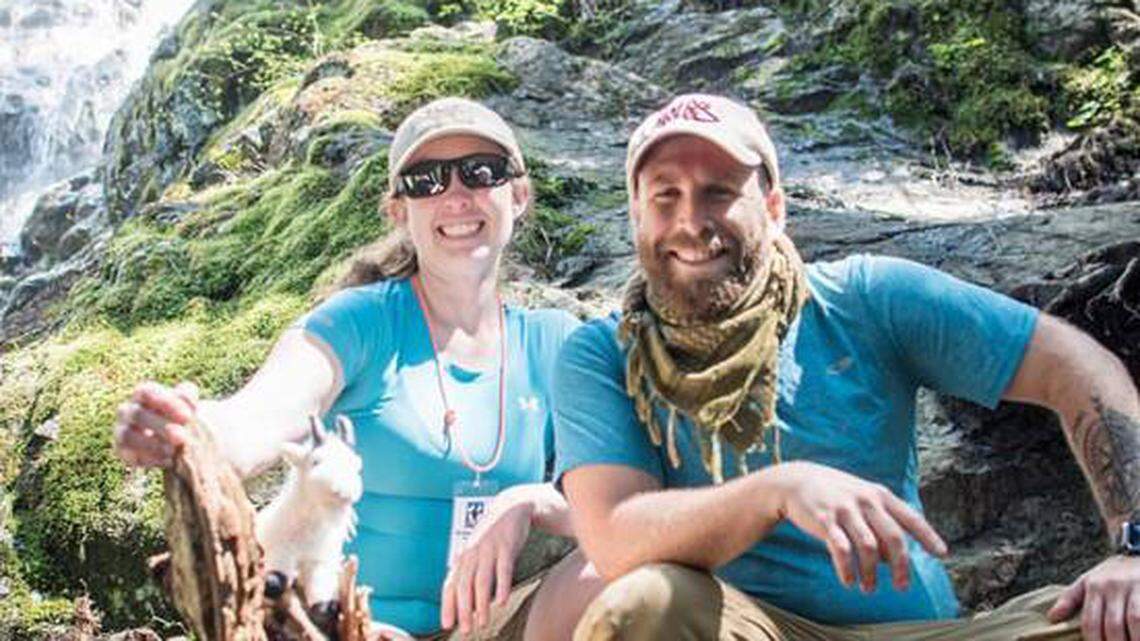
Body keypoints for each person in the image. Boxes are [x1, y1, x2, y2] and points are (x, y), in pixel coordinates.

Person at [553, 93, 1140, 641]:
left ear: (775, 207)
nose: (691, 221)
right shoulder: (602, 353)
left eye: (719, 191)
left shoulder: (868, 298)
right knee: (644, 602)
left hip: (918, 632)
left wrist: (1134, 546)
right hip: (748, 627)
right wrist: (778, 491)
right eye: (665, 195)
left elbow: (1076, 364)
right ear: (636, 216)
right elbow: (613, 537)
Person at [114, 97, 603, 641]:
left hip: (495, 625)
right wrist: (185, 429)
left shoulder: (555, 341)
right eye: (426, 181)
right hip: (347, 625)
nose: (457, 196)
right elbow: (261, 418)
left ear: (519, 195)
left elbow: (618, 508)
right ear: (399, 212)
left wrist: (529, 502)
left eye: (479, 173)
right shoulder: (362, 323)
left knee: (616, 576)